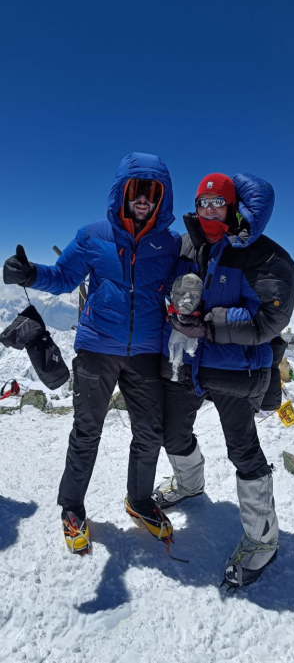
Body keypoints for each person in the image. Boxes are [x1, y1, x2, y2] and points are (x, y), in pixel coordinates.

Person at [3, 152, 181, 554]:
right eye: (135, 189)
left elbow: (182, 285)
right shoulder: (93, 235)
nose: (143, 198)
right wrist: (29, 274)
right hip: (97, 348)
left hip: (146, 353)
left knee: (150, 433)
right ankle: (72, 508)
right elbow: (65, 276)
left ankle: (139, 501)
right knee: (87, 432)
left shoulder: (169, 244)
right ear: (122, 192)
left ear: (161, 197)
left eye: (152, 191)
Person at [154, 172, 294, 587]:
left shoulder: (264, 255)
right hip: (187, 365)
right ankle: (189, 484)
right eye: (203, 202)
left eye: (218, 202)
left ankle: (263, 540)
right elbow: (158, 278)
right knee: (172, 431)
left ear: (233, 207)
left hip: (233, 369)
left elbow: (269, 318)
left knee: (244, 450)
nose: (209, 210)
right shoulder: (188, 245)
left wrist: (209, 326)